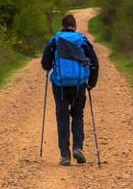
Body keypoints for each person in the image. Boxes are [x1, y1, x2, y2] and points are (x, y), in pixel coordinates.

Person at [41, 13, 99, 166]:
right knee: (78, 116)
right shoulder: (82, 40)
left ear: (62, 26)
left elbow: (45, 63)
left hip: (60, 85)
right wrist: (91, 83)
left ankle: (65, 155)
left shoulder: (55, 40)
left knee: (62, 118)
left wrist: (49, 66)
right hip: (79, 85)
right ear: (75, 26)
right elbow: (94, 62)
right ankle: (78, 148)